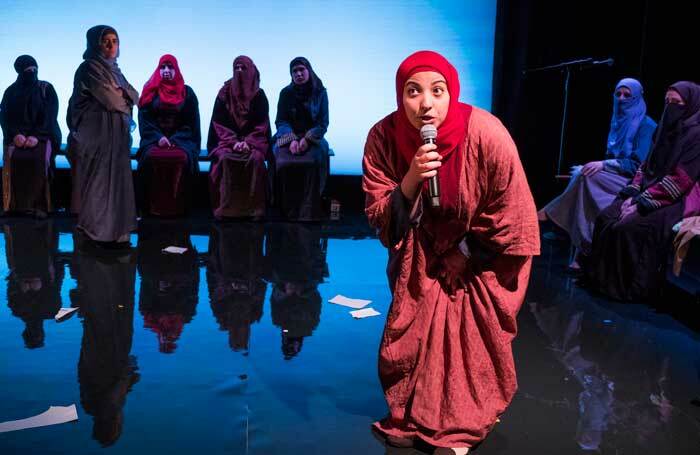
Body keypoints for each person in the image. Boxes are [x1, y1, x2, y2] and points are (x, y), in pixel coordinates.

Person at [362, 50, 540, 453]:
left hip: (480, 257)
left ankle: (461, 423)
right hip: (419, 253)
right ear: (399, 95)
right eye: (413, 91)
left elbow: (513, 213)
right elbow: (379, 212)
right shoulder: (383, 137)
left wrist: (466, 251)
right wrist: (410, 179)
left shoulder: (487, 133)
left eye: (437, 91)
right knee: (415, 338)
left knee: (466, 341)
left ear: (451, 93)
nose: (426, 103)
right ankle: (415, 413)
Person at [586, 81, 700, 301]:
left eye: (676, 103)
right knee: (607, 217)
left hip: (678, 198)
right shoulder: (664, 130)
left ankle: (629, 287)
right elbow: (645, 166)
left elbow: (681, 180)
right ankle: (599, 279)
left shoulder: (696, 136)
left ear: (691, 104)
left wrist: (641, 203)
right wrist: (632, 196)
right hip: (650, 190)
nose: (670, 107)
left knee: (629, 227)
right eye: (667, 102)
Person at [538, 78, 657, 270]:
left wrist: (604, 164)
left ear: (637, 98)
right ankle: (582, 250)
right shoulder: (618, 121)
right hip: (617, 175)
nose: (621, 98)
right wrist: (603, 165)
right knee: (584, 178)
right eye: (618, 94)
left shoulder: (646, 125)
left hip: (635, 181)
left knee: (584, 176)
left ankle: (552, 215)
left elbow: (638, 165)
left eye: (627, 95)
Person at [67, 25, 139, 245]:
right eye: (105, 41)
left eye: (114, 40)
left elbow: (134, 95)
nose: (110, 45)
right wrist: (123, 96)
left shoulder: (115, 69)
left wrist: (124, 96)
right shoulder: (89, 68)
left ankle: (117, 230)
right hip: (96, 134)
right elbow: (112, 98)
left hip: (115, 136)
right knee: (99, 181)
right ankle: (97, 230)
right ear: (94, 44)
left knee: (117, 180)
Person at [207, 56, 271, 219]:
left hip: (253, 144)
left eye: (243, 68)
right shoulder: (224, 94)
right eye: (236, 68)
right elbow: (218, 123)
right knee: (224, 159)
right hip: (226, 143)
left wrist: (248, 143)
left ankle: (252, 211)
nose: (239, 71)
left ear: (250, 70)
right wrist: (233, 142)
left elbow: (262, 125)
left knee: (256, 160)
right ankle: (226, 209)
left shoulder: (259, 95)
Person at [137, 54, 200, 217]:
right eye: (162, 67)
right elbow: (145, 120)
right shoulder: (150, 91)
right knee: (150, 158)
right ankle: (151, 209)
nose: (166, 70)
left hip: (181, 141)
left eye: (170, 67)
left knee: (182, 158)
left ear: (176, 69)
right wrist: (159, 138)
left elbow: (191, 123)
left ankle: (178, 208)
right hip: (154, 141)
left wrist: (174, 140)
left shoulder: (187, 93)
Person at [0, 55, 61, 217]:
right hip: (17, 137)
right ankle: (16, 206)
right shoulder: (11, 92)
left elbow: (50, 115)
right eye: (27, 70)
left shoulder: (46, 88)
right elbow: (5, 116)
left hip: (43, 134)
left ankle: (41, 206)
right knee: (17, 159)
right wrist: (15, 135)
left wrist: (36, 135)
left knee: (37, 159)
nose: (32, 73)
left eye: (34, 69)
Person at [272, 57, 329, 221]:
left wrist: (307, 139)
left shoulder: (320, 93)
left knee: (315, 161)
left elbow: (323, 123)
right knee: (282, 161)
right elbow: (280, 120)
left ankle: (308, 211)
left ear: (309, 71)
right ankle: (284, 210)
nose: (298, 74)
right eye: (294, 71)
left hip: (313, 137)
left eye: (301, 70)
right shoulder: (286, 93)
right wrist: (291, 140)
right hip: (288, 136)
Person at [137, 220, 199, 353]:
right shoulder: (187, 314)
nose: (169, 337)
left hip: (165, 270)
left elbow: (146, 285)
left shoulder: (150, 317)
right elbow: (192, 289)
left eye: (167, 341)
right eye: (171, 341)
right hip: (172, 270)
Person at [3, 218, 63, 348]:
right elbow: (56, 284)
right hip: (33, 267)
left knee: (29, 236)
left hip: (34, 268)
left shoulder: (50, 311)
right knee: (29, 236)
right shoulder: (19, 310)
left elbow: (56, 284)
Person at [207, 222, 266, 352]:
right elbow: (261, 290)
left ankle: (227, 232)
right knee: (251, 266)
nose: (240, 332)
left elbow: (215, 296)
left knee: (228, 266)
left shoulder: (221, 317)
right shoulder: (254, 315)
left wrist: (232, 287)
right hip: (246, 277)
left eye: (238, 336)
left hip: (229, 277)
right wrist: (246, 289)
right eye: (242, 336)